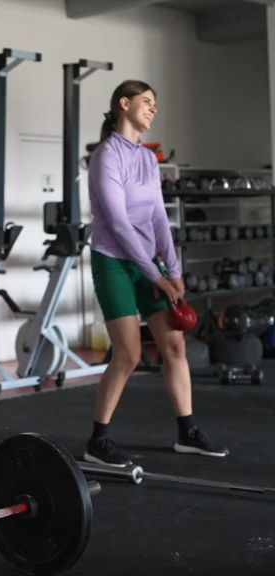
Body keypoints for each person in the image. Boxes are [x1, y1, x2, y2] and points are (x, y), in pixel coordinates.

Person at [84, 79, 229, 467]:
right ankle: (98, 441)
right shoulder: (105, 156)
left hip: (151, 264)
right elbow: (117, 223)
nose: (153, 109)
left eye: (155, 105)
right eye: (146, 102)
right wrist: (155, 273)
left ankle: (188, 433)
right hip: (113, 261)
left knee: (175, 345)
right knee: (129, 354)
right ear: (124, 103)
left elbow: (158, 218)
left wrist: (173, 268)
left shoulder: (148, 159)